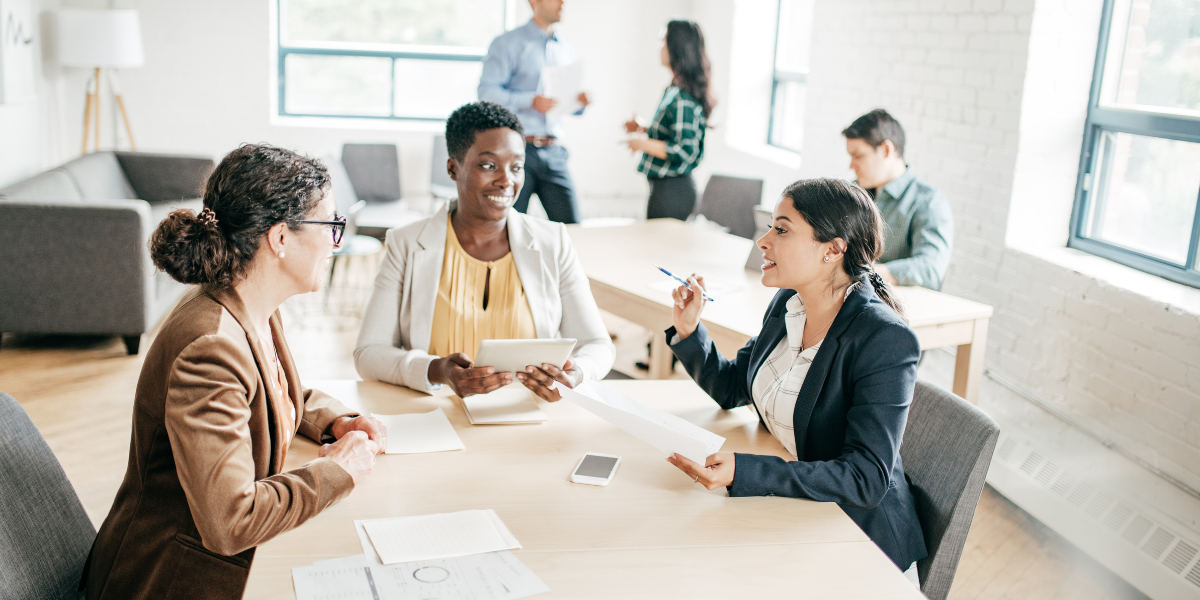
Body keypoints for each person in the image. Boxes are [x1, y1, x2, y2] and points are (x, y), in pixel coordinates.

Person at [83, 144, 386, 600]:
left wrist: (336, 421)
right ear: (280, 239)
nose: (335, 242)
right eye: (331, 226)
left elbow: (275, 393)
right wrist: (337, 473)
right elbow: (230, 521)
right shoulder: (210, 349)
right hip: (171, 580)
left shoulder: (253, 304)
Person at [661, 178, 928, 575]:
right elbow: (736, 386)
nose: (762, 240)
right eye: (770, 226)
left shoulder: (884, 339)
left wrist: (747, 471)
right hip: (798, 508)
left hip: (859, 539)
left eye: (781, 229)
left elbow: (866, 479)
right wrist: (689, 331)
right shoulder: (790, 300)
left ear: (834, 250)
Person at [354, 101, 614, 400]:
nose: (506, 181)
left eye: (516, 167)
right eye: (488, 165)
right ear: (453, 168)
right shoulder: (407, 243)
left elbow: (597, 345)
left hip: (528, 416)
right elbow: (368, 354)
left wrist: (577, 373)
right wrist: (437, 370)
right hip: (437, 415)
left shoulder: (552, 241)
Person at [478, 0, 590, 224]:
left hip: (553, 151)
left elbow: (564, 106)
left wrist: (579, 103)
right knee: (509, 227)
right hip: (517, 152)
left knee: (572, 227)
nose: (563, 3)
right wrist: (530, 101)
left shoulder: (563, 48)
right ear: (534, 2)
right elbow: (487, 93)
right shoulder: (507, 43)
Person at [843, 108, 953, 290]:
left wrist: (863, 273)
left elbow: (930, 269)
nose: (851, 165)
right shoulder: (855, 193)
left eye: (858, 156)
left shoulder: (929, 202)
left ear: (887, 150)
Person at [625, 20, 713, 220]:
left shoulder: (682, 97)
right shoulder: (674, 90)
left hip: (673, 191)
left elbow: (684, 149)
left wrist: (642, 144)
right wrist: (644, 129)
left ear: (675, 48)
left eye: (662, 41)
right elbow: (673, 134)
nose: (659, 47)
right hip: (664, 188)